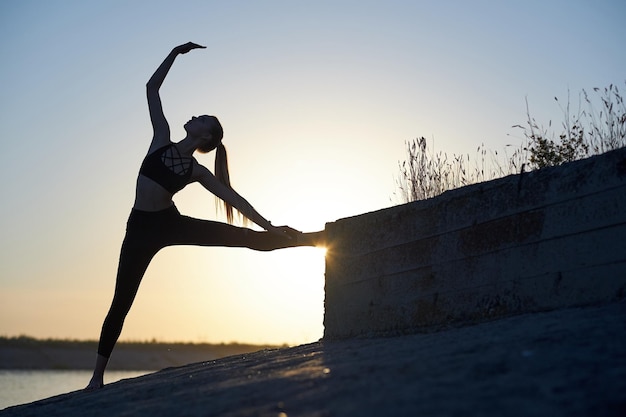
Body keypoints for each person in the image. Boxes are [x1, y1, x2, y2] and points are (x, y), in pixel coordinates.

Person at [85, 42, 323, 390]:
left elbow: (235, 199)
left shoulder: (196, 171)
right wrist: (174, 53)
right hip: (139, 229)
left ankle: (308, 240)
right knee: (122, 300)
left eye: (203, 118)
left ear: (206, 135)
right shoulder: (160, 140)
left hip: (171, 224)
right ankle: (96, 379)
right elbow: (151, 89)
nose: (195, 115)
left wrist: (269, 225)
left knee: (242, 238)